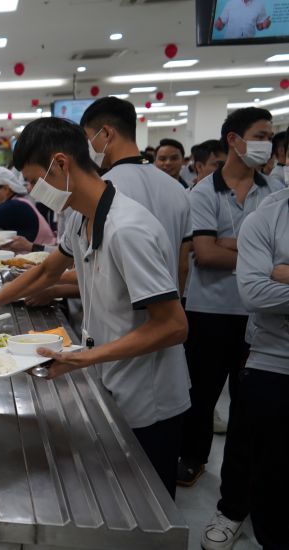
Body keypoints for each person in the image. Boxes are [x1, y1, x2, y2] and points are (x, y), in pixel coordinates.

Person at [0, 117, 190, 498]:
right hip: (112, 377)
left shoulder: (128, 228)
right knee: (116, 494)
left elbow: (173, 326)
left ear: (61, 164)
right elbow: (49, 270)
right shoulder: (81, 216)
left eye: (33, 180)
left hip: (149, 398)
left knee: (147, 503)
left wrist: (85, 358)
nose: (32, 191)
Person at [184, 107, 283, 548]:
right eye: (260, 135)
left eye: (270, 135)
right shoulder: (204, 191)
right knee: (202, 396)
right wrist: (262, 262)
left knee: (250, 417)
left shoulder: (275, 191)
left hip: (261, 320)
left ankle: (247, 502)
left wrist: (238, 248)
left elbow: (245, 256)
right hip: (210, 312)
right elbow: (205, 255)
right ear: (234, 140)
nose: (267, 143)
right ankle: (195, 460)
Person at [228, 186, 289, 550]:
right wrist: (270, 279)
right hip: (274, 360)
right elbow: (254, 293)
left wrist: (283, 274)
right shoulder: (267, 217)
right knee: (272, 475)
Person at [81, 97, 191, 294]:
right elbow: (183, 265)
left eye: (88, 139)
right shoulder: (178, 189)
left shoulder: (102, 189)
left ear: (106, 133)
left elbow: (95, 269)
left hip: (122, 307)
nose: (88, 147)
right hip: (169, 303)